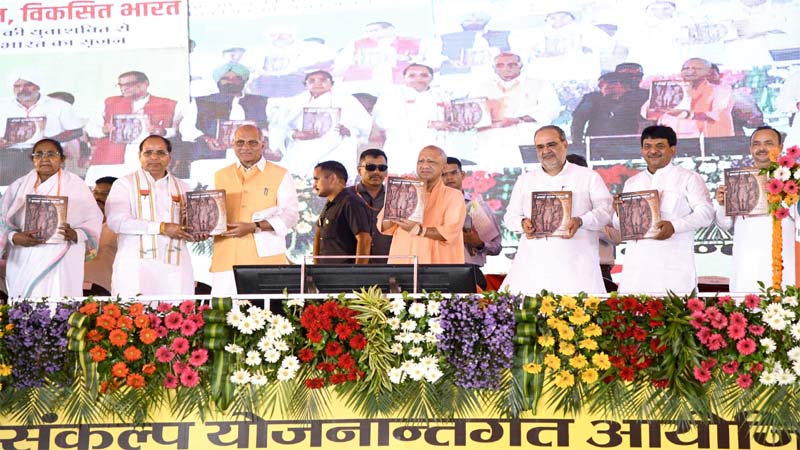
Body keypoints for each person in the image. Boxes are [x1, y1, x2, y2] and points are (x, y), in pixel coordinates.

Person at [501, 125, 613, 295]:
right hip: (533, 267)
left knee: (579, 310)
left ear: (565, 144)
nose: (546, 151)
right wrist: (522, 223)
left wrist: (581, 221)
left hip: (577, 267)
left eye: (551, 144)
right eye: (540, 147)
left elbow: (606, 210)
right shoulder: (525, 180)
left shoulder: (587, 177)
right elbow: (510, 216)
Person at [615, 125, 714, 294]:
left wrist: (674, 226)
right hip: (637, 268)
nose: (653, 151)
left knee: (675, 308)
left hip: (673, 268)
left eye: (660, 146)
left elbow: (706, 214)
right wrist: (618, 213)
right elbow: (619, 226)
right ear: (642, 150)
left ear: (673, 149)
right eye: (647, 146)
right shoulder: (632, 183)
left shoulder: (688, 178)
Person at [0, 138, 102, 298]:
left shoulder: (76, 185)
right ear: (33, 159)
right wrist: (14, 237)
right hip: (24, 256)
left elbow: (93, 218)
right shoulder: (17, 186)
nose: (45, 159)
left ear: (62, 159)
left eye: (51, 154)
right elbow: (2, 222)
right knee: (25, 306)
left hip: (63, 258)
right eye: (39, 154)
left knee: (61, 302)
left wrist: (77, 234)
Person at [209, 124, 299, 296]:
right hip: (226, 257)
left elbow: (290, 215)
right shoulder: (220, 175)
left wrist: (254, 226)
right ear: (233, 144)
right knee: (223, 310)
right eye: (240, 142)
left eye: (252, 142)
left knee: (266, 311)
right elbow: (211, 213)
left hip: (266, 259)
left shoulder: (280, 174)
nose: (245, 147)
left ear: (263, 144)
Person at [105, 135, 196, 296]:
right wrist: (161, 227)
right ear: (139, 156)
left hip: (175, 267)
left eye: (160, 153)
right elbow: (116, 221)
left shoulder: (183, 187)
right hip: (135, 267)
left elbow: (191, 229)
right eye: (148, 153)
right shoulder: (125, 184)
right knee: (135, 311)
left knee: (176, 310)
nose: (154, 157)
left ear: (169, 157)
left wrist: (195, 230)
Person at [715, 126, 794, 292]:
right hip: (746, 262)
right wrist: (722, 204)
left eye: (768, 143)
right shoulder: (737, 180)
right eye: (756, 144)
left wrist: (785, 197)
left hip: (784, 260)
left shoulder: (793, 180)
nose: (762, 148)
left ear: (780, 147)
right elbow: (724, 224)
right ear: (750, 148)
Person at [180, 62, 272, 183]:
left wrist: (264, 139)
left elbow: (272, 128)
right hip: (211, 160)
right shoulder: (201, 102)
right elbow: (186, 127)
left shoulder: (261, 102)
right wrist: (206, 139)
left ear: (244, 81)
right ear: (218, 81)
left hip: (252, 161)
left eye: (236, 78)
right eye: (225, 78)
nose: (230, 81)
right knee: (210, 192)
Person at [468, 53, 560, 170]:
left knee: (529, 176)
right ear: (494, 68)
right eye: (500, 65)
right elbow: (470, 114)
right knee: (491, 177)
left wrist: (518, 120)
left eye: (511, 64)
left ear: (520, 66)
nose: (506, 68)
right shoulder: (480, 87)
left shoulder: (539, 84)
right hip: (490, 144)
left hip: (525, 142)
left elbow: (552, 110)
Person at [85, 71, 181, 181]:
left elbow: (177, 132)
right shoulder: (108, 102)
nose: (124, 88)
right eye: (121, 85)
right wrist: (104, 130)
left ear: (145, 84)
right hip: (110, 160)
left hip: (147, 159)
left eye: (129, 84)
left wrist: (162, 132)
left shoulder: (168, 104)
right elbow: (90, 129)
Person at [378, 145, 466, 264]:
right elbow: (383, 226)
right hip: (402, 263)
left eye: (431, 162)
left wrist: (418, 230)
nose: (424, 166)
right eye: (421, 161)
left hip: (437, 267)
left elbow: (449, 232)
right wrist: (395, 208)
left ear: (443, 166)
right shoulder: (404, 189)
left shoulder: (453, 196)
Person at [277, 70, 372, 176]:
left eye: (322, 80)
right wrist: (294, 134)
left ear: (332, 83)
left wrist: (349, 131)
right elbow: (280, 127)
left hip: (336, 148)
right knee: (299, 180)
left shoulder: (347, 101)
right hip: (303, 149)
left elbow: (363, 126)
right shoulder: (294, 102)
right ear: (305, 84)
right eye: (312, 81)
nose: (317, 83)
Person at [0, 74, 84, 185]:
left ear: (38, 86)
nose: (22, 89)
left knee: (45, 191)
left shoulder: (59, 106)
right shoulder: (3, 106)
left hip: (46, 156)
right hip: (8, 157)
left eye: (28, 85)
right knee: (8, 192)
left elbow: (77, 131)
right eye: (17, 86)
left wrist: (50, 140)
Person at [371, 64, 449, 174]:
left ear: (432, 77)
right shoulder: (391, 95)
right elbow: (382, 121)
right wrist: (427, 124)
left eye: (424, 75)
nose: (418, 79)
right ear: (404, 78)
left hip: (437, 154)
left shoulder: (442, 95)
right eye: (412, 75)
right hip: (403, 156)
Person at [441, 157, 501, 289]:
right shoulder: (431, 207)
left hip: (470, 272)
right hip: (438, 271)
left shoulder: (477, 206)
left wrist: (479, 244)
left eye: (453, 173)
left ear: (462, 175)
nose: (449, 178)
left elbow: (497, 247)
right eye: (443, 175)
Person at [643, 58, 734, 139]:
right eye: (686, 68)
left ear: (707, 72)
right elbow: (647, 113)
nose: (690, 72)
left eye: (696, 69)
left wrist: (683, 114)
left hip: (703, 142)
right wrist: (658, 98)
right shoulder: (669, 88)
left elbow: (715, 115)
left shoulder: (721, 91)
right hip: (669, 140)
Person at [312, 160, 371, 264]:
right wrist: (315, 267)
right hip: (324, 271)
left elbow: (364, 239)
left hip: (344, 272)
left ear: (332, 178)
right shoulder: (330, 204)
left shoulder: (351, 202)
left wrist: (358, 271)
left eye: (317, 179)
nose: (314, 185)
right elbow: (318, 236)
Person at [571, 72, 646, 145]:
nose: (602, 87)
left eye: (611, 83)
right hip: (596, 147)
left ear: (625, 86)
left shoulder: (638, 99)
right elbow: (578, 121)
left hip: (629, 146)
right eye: (600, 85)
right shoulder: (592, 99)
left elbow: (645, 122)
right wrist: (577, 144)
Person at [346, 149, 393, 263]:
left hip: (388, 265)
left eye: (382, 168)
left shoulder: (394, 197)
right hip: (350, 266)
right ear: (359, 170)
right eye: (370, 167)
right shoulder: (345, 196)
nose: (376, 172)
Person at [83, 176, 119, 295]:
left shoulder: (120, 227)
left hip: (105, 290)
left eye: (104, 194)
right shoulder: (83, 225)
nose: (98, 198)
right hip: (75, 287)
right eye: (95, 193)